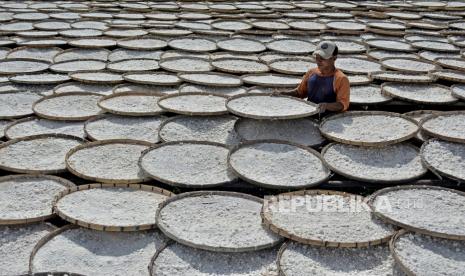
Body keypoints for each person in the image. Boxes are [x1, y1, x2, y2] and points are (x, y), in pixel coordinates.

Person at [277, 40, 350, 114]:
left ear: (334, 58)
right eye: (317, 58)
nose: (318, 61)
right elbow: (299, 93)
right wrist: (283, 93)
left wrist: (327, 106)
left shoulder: (341, 78)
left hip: (329, 118)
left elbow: (342, 104)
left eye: (323, 58)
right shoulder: (311, 73)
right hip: (310, 115)